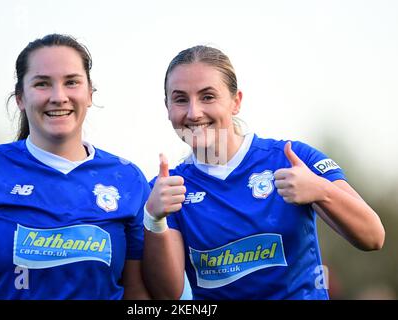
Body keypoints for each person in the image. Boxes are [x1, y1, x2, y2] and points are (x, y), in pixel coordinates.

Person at [142, 45, 385, 300]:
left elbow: (373, 236)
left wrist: (320, 191)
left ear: (236, 102)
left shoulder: (291, 158)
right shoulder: (166, 190)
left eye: (208, 97)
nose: (193, 112)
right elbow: (167, 295)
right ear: (167, 106)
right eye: (180, 99)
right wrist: (154, 219)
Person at [0, 34, 150, 300]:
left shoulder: (128, 178)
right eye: (42, 84)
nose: (59, 96)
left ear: (89, 94)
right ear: (20, 98)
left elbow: (137, 293)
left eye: (71, 82)